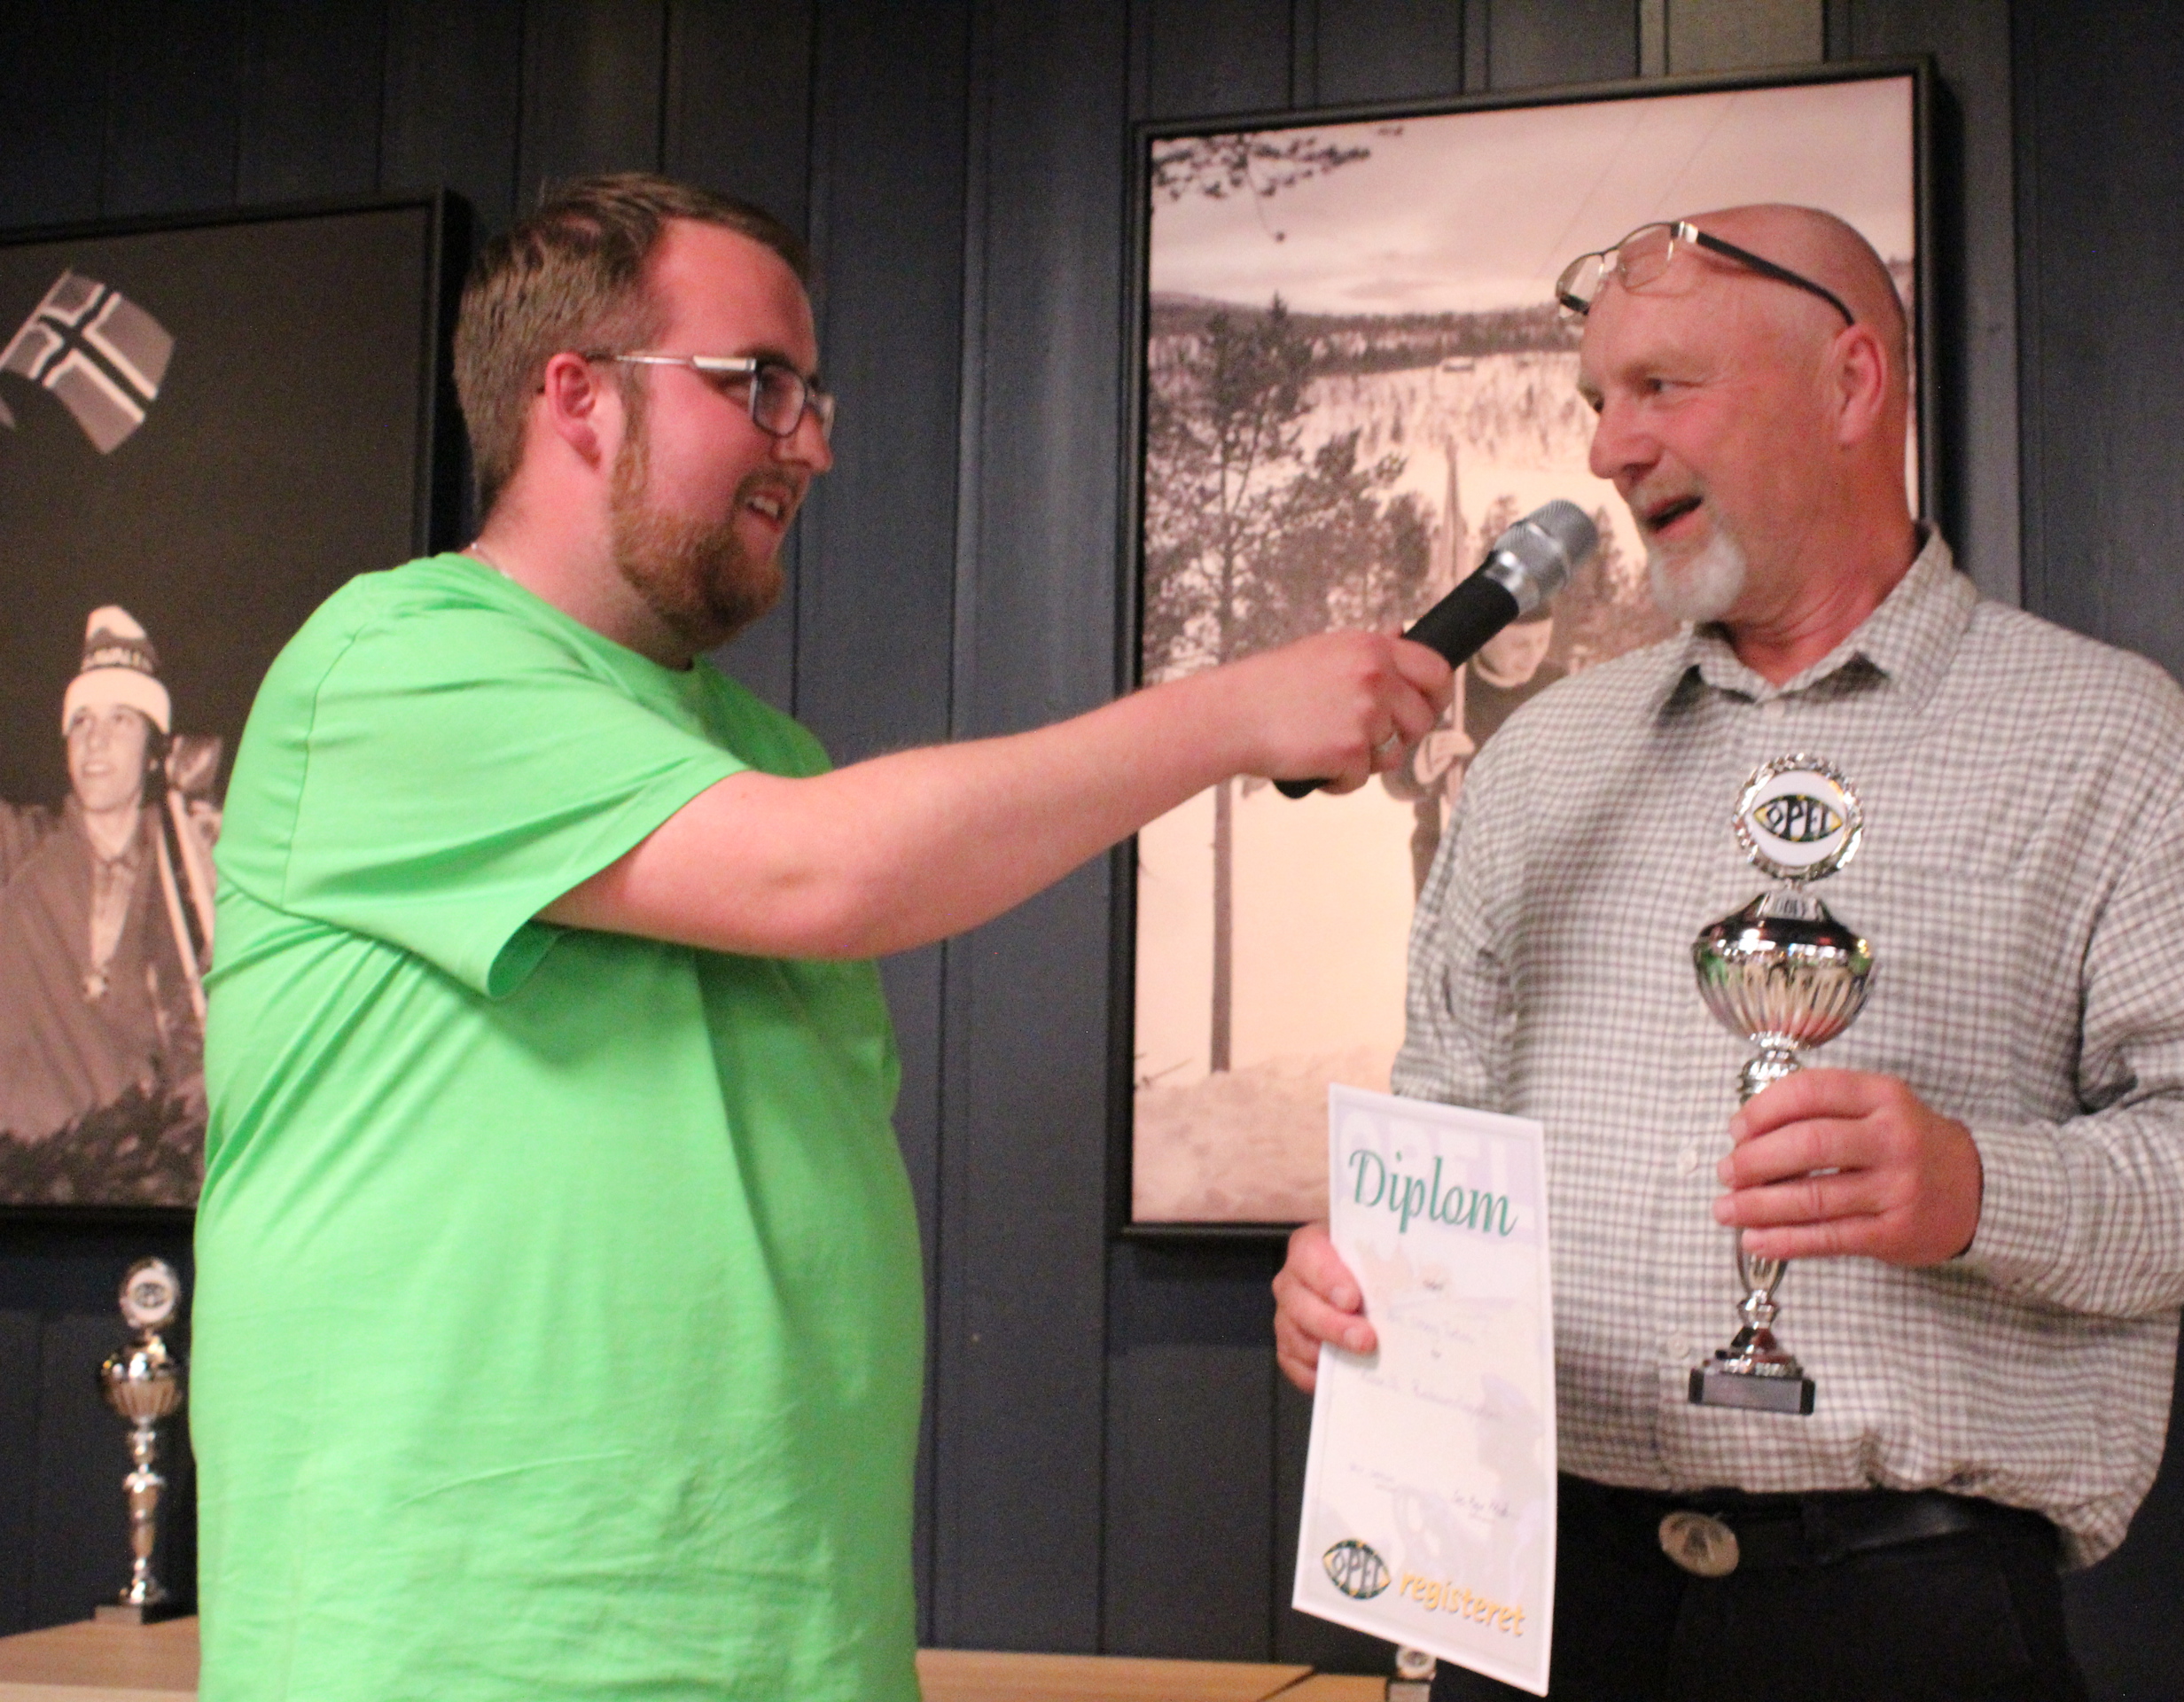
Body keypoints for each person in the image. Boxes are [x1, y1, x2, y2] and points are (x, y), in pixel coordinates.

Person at [191, 174, 1449, 1702]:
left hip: (790, 1649)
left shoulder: (765, 756)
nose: (812, 443)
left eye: (812, 394)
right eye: (759, 384)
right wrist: (1234, 714)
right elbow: (821, 876)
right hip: (459, 1654)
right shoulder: (393, 665)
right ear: (575, 396)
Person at [1272, 207, 2184, 1701]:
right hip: (1535, 1603)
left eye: (1662, 387)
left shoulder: (2112, 742)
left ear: (1851, 385)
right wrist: (1361, 1276)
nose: (1610, 449)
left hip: (1909, 1623)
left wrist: (1978, 1191)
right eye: (1597, 400)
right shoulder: (1540, 764)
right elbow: (1440, 1126)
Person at [0, 605, 214, 1158]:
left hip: (148, 1172)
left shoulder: (187, 871)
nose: (95, 741)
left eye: (120, 720)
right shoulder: (22, 854)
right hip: (26, 1174)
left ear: (153, 752)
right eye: (82, 721)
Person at [1383, 602, 1566, 894]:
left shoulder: (1557, 684)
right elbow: (1395, 777)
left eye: (1542, 640)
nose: (1532, 656)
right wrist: (1423, 763)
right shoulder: (1444, 686)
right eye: (1519, 644)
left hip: (1536, 869)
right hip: (1452, 871)